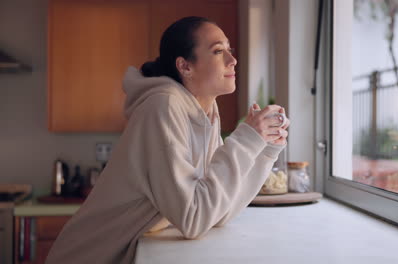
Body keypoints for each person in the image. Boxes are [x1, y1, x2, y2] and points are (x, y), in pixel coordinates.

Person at [45, 16, 289, 264]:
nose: (232, 59)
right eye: (218, 51)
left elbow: (216, 211)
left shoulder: (206, 111)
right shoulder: (162, 105)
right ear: (185, 67)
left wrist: (265, 151)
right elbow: (193, 219)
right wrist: (247, 140)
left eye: (230, 49)